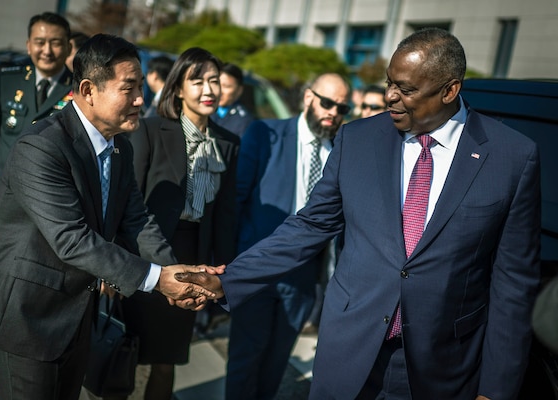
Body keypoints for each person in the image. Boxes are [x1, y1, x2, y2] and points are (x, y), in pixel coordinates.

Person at [177, 27, 542, 399]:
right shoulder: (358, 140)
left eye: (406, 89)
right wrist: (229, 279)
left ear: (449, 90)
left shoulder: (512, 157)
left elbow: (513, 285)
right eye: (389, 84)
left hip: (440, 368)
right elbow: (309, 226)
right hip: (348, 355)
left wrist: (496, 390)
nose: (390, 97)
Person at [0, 33, 220, 400]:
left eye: (141, 86)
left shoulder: (119, 145)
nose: (141, 99)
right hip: (28, 321)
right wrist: (158, 280)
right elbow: (72, 239)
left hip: (78, 320)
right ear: (88, 90)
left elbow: (137, 221)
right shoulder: (41, 146)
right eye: (129, 88)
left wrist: (181, 277)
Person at [117, 47, 239, 400]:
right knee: (121, 351)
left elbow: (225, 215)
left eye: (214, 81)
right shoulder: (151, 130)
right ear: (178, 88)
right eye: (197, 80)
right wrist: (110, 266)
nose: (208, 89)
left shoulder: (228, 143)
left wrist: (224, 276)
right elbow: (127, 200)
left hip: (191, 256)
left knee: (167, 358)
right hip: (142, 252)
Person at [0, 11, 74, 376]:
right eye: (40, 42)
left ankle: (9, 348)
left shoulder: (79, 90)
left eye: (55, 42)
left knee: (24, 283)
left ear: (68, 46)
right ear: (28, 45)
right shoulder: (9, 82)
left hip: (43, 211)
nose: (47, 50)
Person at [227, 73, 350, 400]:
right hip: (257, 266)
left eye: (342, 107)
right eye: (327, 102)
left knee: (275, 364)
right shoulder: (265, 132)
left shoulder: (342, 149)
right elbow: (236, 199)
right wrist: (230, 264)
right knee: (245, 359)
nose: (333, 112)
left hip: (304, 276)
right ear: (308, 97)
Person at [209, 62, 254, 136]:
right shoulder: (204, 110)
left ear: (239, 90)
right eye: (216, 84)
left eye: (226, 86)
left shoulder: (244, 121)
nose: (220, 91)